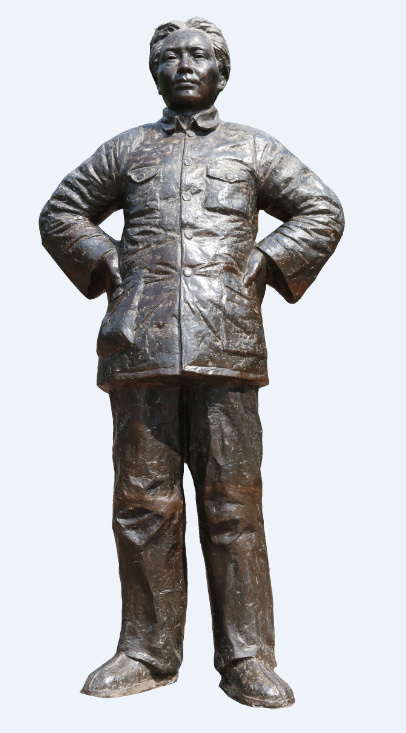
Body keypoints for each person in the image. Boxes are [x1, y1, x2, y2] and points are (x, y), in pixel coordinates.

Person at [39, 17, 344, 708]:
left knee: (233, 504)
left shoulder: (252, 149)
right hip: (140, 346)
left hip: (225, 343)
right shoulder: (127, 150)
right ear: (154, 71)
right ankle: (147, 650)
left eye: (199, 55)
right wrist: (106, 260)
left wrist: (266, 261)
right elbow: (62, 212)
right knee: (141, 503)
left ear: (222, 71)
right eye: (170, 56)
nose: (183, 65)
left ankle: (247, 656)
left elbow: (320, 210)